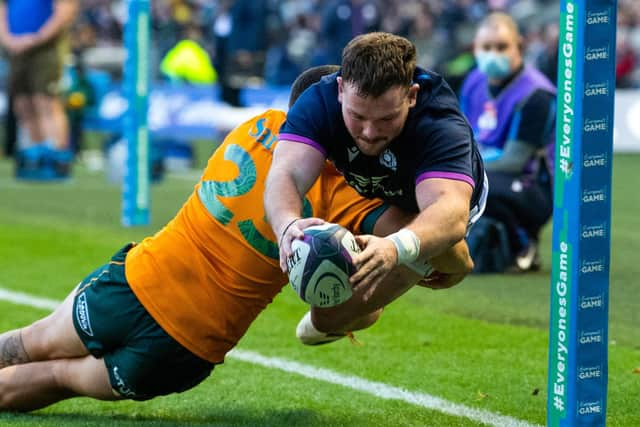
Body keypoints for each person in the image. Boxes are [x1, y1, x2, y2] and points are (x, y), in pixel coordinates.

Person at [0, 65, 472, 412]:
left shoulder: (253, 127)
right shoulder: (347, 198)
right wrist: (424, 265)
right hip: (185, 349)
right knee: (61, 376)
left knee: (31, 339)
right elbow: (448, 255)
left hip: (136, 283)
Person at [264, 32, 486, 345]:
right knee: (327, 314)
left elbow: (449, 211)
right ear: (341, 89)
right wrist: (286, 223)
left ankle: (454, 258)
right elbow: (285, 172)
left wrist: (395, 248)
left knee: (322, 322)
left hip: (434, 205)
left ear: (411, 95)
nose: (369, 132)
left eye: (387, 118)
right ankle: (421, 256)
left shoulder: (439, 123)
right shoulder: (318, 101)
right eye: (357, 116)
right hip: (378, 187)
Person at [460, 12, 556, 272]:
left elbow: (515, 160)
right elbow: (460, 135)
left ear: (520, 47)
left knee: (473, 185)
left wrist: (462, 169)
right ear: (476, 49)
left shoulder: (536, 94)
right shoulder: (473, 81)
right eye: (486, 47)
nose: (493, 54)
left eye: (501, 47)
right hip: (485, 170)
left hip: (532, 185)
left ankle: (524, 242)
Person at [0, 0, 78, 180]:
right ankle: (38, 158)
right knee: (23, 104)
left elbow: (65, 11)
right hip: (15, 49)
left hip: (46, 50)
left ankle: (58, 160)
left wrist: (37, 38)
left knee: (46, 103)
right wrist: (8, 39)